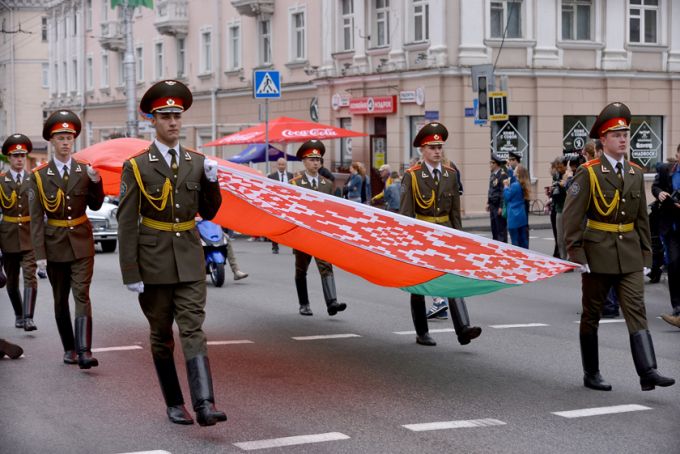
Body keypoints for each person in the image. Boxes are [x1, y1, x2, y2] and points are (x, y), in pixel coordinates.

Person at [117, 80, 226, 426]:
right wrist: (131, 271)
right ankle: (174, 402)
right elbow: (126, 222)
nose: (173, 122)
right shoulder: (137, 166)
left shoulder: (197, 162)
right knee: (162, 335)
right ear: (153, 120)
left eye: (177, 116)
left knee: (193, 328)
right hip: (153, 262)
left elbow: (209, 212)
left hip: (190, 259)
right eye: (165, 117)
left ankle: (205, 403)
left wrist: (212, 182)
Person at [563, 101, 674, 392]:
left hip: (630, 253)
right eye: (616, 135)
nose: (623, 139)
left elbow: (641, 219)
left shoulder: (635, 172)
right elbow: (571, 217)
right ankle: (591, 372)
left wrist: (647, 255)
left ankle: (648, 371)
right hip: (597, 253)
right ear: (603, 139)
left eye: (625, 134)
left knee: (636, 308)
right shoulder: (589, 172)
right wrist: (576, 254)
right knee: (592, 314)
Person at [29, 110, 104, 369]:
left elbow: (95, 205)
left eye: (69, 138)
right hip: (55, 244)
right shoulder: (39, 176)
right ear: (52, 141)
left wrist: (96, 182)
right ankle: (69, 347)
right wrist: (39, 255)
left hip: (82, 241)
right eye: (61, 138)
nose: (65, 142)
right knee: (60, 299)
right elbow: (35, 219)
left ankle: (84, 351)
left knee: (82, 293)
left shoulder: (84, 170)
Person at [400, 122, 482, 347]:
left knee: (452, 278)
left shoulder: (450, 175)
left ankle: (463, 328)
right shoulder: (412, 176)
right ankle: (422, 332)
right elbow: (406, 214)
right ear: (422, 150)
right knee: (418, 285)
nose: (437, 151)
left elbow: (455, 212)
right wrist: (407, 243)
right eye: (432, 147)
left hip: (446, 235)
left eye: (439, 147)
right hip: (422, 235)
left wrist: (460, 239)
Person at [290, 140, 347, 317]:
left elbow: (331, 210)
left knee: (326, 266)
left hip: (321, 233)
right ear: (304, 162)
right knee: (301, 270)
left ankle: (332, 302)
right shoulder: (295, 183)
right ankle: (304, 304)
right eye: (312, 159)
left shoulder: (327, 184)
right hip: (302, 234)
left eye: (318, 160)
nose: (315, 163)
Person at [1, 134, 38, 330]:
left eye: (22, 155)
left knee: (30, 276)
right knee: (12, 279)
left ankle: (29, 317)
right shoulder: (1, 181)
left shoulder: (34, 180)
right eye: (15, 156)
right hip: (7, 237)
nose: (19, 159)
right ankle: (18, 314)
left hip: (29, 235)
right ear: (9, 158)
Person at [652, 143, 680, 328]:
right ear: (677, 154)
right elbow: (655, 187)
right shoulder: (666, 170)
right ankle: (677, 307)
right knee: (674, 264)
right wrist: (660, 193)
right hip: (671, 227)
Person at [267, 158, 293, 254]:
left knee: (291, 226)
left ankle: (295, 247)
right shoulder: (271, 176)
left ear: (286, 165)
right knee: (275, 226)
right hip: (276, 204)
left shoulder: (291, 176)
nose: (281, 166)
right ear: (277, 165)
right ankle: (275, 247)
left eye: (283, 164)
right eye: (280, 164)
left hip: (288, 204)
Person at [503, 164, 530, 248]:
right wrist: (510, 169)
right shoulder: (522, 184)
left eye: (515, 169)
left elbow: (507, 197)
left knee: (515, 241)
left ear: (518, 173)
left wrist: (505, 187)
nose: (514, 170)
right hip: (521, 215)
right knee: (523, 240)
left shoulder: (515, 185)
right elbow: (513, 179)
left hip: (514, 216)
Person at [487, 153, 508, 242]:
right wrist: (488, 203)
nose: (490, 165)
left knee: (500, 230)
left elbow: (503, 192)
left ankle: (503, 247)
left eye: (491, 163)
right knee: (494, 229)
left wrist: (501, 206)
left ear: (495, 164)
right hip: (493, 205)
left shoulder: (502, 175)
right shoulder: (493, 175)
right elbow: (491, 190)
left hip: (498, 206)